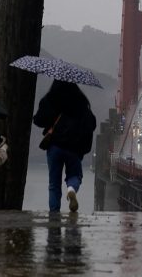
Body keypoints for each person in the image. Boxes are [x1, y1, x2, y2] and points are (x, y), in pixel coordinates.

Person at [33, 80, 97, 212]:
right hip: (74, 148)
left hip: (55, 146)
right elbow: (92, 123)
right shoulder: (80, 102)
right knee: (75, 175)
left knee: (54, 184)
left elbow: (39, 120)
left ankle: (54, 212)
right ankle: (71, 189)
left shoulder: (51, 98)